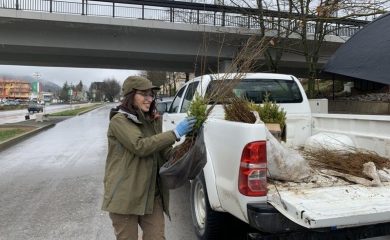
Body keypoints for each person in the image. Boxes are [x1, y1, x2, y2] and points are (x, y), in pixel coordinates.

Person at [102, 76, 196, 240]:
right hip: (125, 197)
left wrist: (189, 143)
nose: (149, 99)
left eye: (151, 95)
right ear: (131, 95)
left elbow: (165, 153)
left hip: (151, 195)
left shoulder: (152, 121)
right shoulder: (119, 120)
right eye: (143, 94)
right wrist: (174, 133)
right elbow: (141, 146)